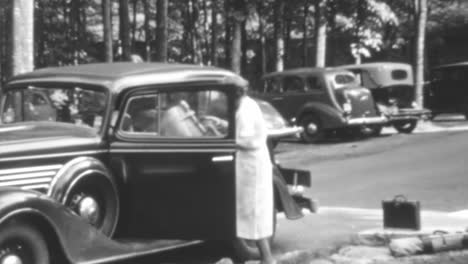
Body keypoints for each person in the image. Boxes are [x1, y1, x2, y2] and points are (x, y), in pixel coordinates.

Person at [235, 84, 275, 264]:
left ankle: (267, 258)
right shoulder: (246, 105)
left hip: (252, 165)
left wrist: (227, 137)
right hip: (250, 164)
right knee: (250, 212)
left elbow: (246, 139)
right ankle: (262, 258)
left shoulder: (245, 109)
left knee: (254, 213)